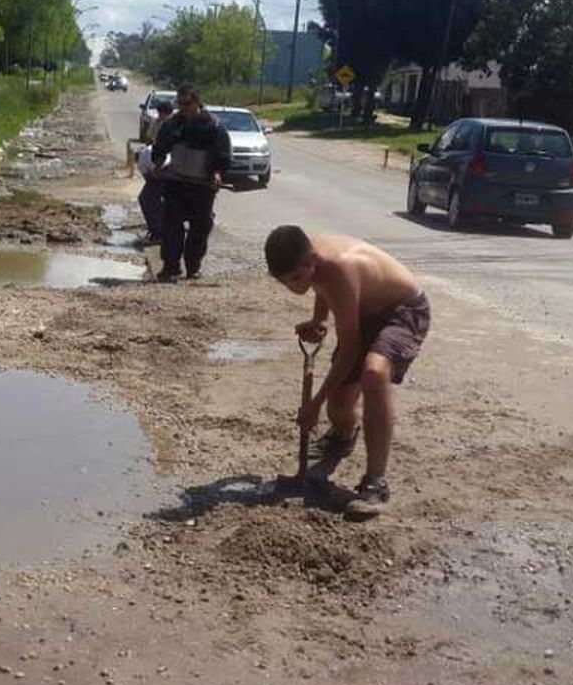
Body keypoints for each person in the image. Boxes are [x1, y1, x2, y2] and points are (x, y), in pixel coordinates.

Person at [264, 225, 432, 516]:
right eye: (285, 283)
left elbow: (350, 347)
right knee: (340, 408)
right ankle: (342, 437)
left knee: (374, 373)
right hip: (363, 311)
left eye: (296, 279)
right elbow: (322, 285)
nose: (293, 288)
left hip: (402, 311)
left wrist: (314, 404)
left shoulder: (337, 267)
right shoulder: (311, 260)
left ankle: (376, 484)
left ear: (311, 261)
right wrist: (318, 319)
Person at [150, 85, 230, 282]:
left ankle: (193, 268)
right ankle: (170, 267)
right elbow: (160, 148)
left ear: (197, 102)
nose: (183, 108)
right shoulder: (172, 124)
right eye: (180, 104)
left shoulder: (214, 126)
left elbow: (223, 155)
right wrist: (158, 164)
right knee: (171, 227)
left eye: (187, 104)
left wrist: (217, 174)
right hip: (176, 183)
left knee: (199, 229)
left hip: (202, 186)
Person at [135, 102, 175, 246]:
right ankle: (160, 230)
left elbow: (149, 173)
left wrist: (156, 172)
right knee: (157, 201)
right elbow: (150, 139)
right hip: (163, 163)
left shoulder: (172, 124)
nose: (160, 115)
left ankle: (159, 233)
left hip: (164, 165)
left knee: (147, 199)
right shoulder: (158, 123)